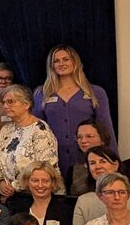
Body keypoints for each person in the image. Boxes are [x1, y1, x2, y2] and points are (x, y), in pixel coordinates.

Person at [32, 45, 117, 182]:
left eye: (66, 59)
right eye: (56, 61)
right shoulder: (41, 93)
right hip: (53, 159)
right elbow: (36, 130)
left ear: (75, 62)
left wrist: (113, 160)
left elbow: (106, 129)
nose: (61, 64)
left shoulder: (95, 92)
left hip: (87, 158)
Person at [0, 84, 59, 202]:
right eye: (4, 102)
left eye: (10, 101)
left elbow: (46, 167)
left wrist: (14, 187)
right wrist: (2, 182)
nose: (5, 106)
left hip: (35, 195)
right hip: (8, 197)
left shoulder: (40, 129)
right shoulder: (6, 129)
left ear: (26, 104)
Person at [67, 120, 110, 197]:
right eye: (79, 137)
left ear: (102, 138)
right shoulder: (73, 170)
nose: (83, 141)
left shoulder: (114, 165)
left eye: (89, 136)